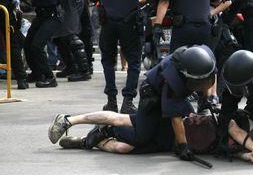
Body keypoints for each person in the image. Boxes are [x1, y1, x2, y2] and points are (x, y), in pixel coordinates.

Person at [49, 45, 219, 162]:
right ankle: (103, 129)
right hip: (153, 94)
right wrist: (183, 147)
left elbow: (209, 78)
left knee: (132, 132)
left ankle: (80, 132)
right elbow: (175, 117)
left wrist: (212, 98)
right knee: (140, 136)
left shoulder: (205, 58)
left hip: (172, 96)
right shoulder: (173, 79)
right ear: (186, 74)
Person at [86, 0, 161, 114]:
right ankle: (127, 101)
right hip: (131, 23)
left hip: (108, 23)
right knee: (134, 62)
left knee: (107, 61)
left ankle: (111, 101)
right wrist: (146, 1)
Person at [48, 109, 253, 165]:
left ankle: (89, 140)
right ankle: (69, 119)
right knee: (118, 120)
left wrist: (249, 157)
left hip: (169, 144)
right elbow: (238, 133)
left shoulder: (235, 145)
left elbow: (236, 151)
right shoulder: (233, 123)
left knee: (123, 149)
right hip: (168, 122)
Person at [8, 0, 65, 88]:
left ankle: (49, 77)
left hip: (52, 16)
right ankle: (37, 73)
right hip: (41, 15)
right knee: (28, 44)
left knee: (37, 46)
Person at [0, 0, 28, 89]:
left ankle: (21, 77)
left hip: (5, 9)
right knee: (13, 43)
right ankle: (21, 78)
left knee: (13, 43)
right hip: (5, 8)